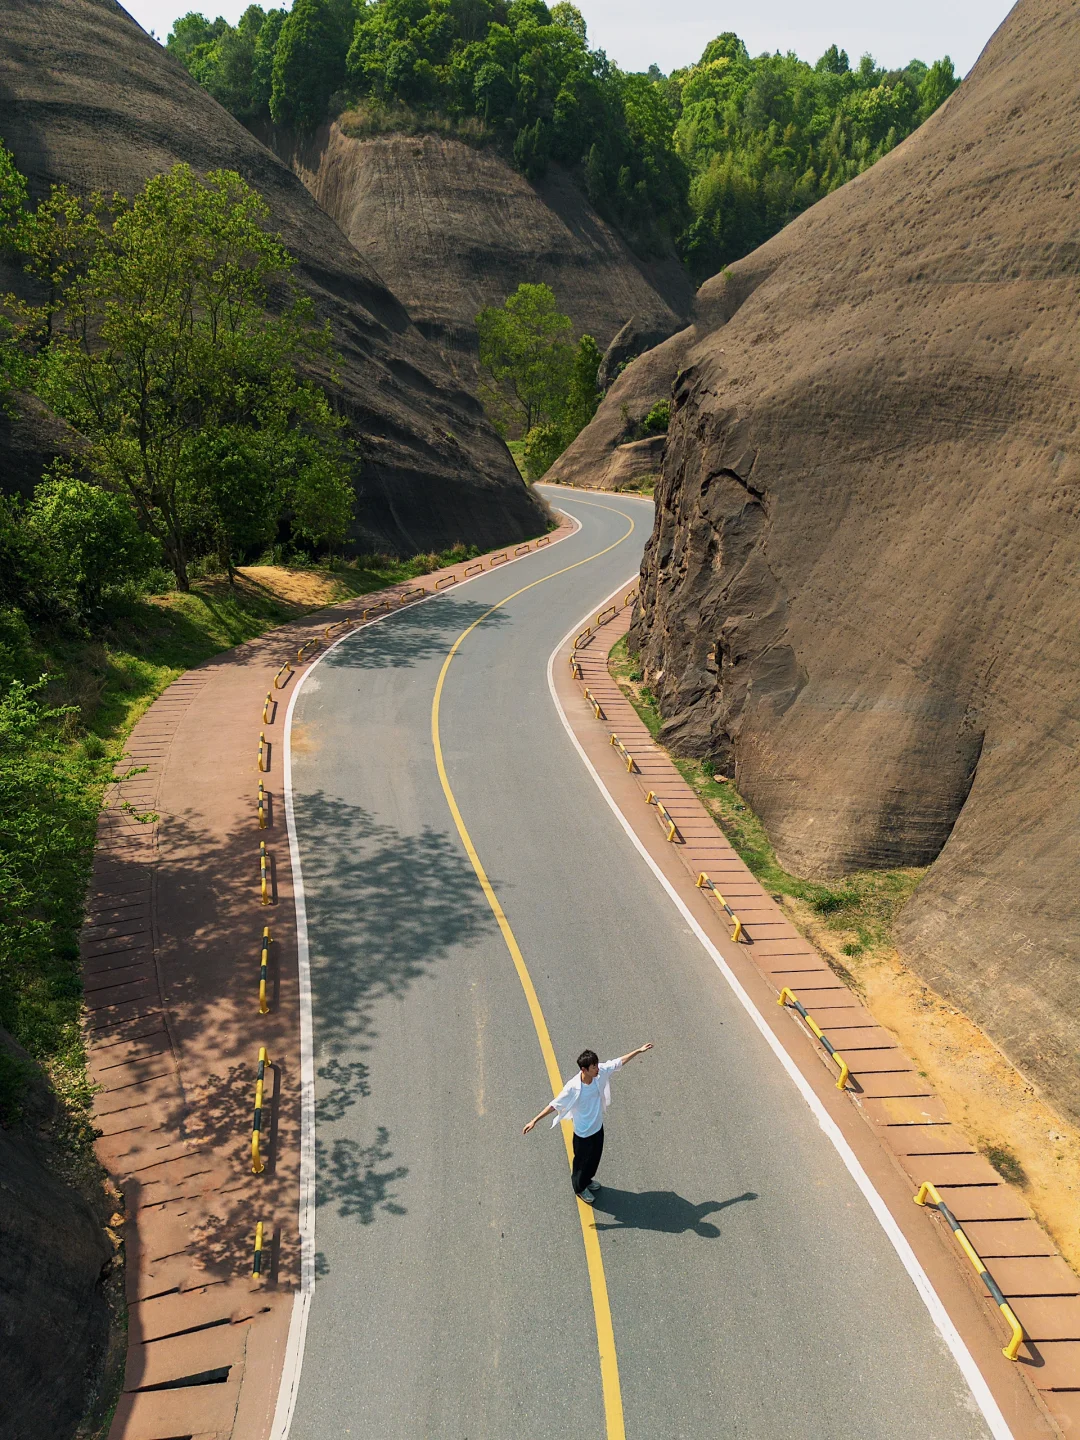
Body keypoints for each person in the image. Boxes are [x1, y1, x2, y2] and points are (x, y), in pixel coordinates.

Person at [522, 1043, 653, 1204]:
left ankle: (588, 1180)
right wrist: (534, 1120)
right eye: (593, 1067)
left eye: (597, 1065)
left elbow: (618, 1062)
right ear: (583, 1070)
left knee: (594, 1159)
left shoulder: (600, 1074)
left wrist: (638, 1051)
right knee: (581, 1164)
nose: (597, 1069)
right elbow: (555, 1104)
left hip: (597, 1128)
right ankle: (579, 1188)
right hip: (583, 1134)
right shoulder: (573, 1088)